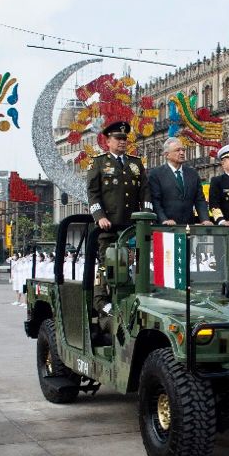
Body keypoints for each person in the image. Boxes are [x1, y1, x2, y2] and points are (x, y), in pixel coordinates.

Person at [87, 121, 151, 332]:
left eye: (124, 139)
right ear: (108, 141)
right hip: (109, 226)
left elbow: (145, 192)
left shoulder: (135, 163)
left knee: (137, 264)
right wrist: (99, 217)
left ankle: (135, 299)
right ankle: (102, 302)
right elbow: (93, 194)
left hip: (132, 226)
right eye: (118, 139)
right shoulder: (99, 163)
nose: (122, 142)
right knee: (108, 264)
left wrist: (146, 216)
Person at [148, 137, 213, 226]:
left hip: (188, 226)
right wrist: (164, 220)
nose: (182, 153)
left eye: (183, 150)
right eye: (177, 150)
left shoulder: (192, 173)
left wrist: (205, 219)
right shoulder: (156, 174)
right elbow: (155, 201)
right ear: (167, 155)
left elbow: (200, 200)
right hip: (166, 227)